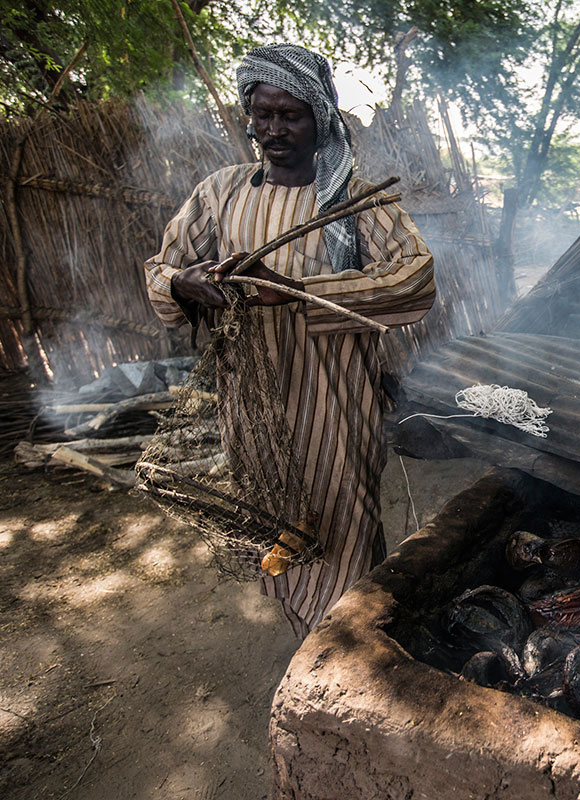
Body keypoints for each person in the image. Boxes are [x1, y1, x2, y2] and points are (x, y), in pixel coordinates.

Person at [144, 44, 435, 636]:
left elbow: (415, 277)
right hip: (251, 406)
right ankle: (311, 647)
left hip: (334, 401)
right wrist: (186, 282)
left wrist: (299, 290)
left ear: (320, 116)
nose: (274, 128)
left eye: (291, 114)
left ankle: (350, 652)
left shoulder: (352, 199)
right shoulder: (222, 191)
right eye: (263, 113)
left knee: (344, 524)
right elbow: (162, 268)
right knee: (279, 527)